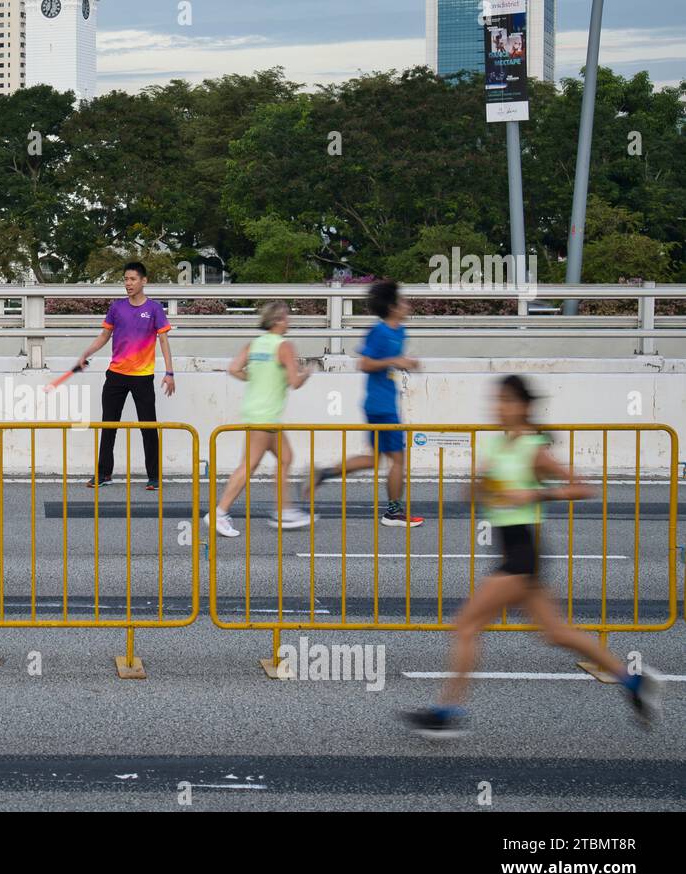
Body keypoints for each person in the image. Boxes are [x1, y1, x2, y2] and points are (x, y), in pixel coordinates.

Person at [404, 375, 661, 737]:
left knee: (466, 625)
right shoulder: (497, 446)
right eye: (497, 400)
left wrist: (535, 496)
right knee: (556, 633)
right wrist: (480, 486)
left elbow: (582, 487)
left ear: (523, 407)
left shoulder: (533, 448)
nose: (499, 407)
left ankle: (446, 713)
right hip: (511, 547)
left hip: (523, 552)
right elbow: (472, 496)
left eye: (507, 401)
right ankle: (633, 682)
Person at [311, 279, 424, 527]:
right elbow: (364, 363)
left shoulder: (400, 331)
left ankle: (326, 472)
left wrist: (406, 361)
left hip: (384, 403)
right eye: (403, 301)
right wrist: (395, 360)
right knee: (397, 459)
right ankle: (394, 512)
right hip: (381, 405)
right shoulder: (380, 331)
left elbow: (392, 360)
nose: (407, 305)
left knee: (374, 459)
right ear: (393, 307)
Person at [205, 302, 315, 537]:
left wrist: (256, 379)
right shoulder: (284, 346)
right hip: (266, 416)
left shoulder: (254, 345)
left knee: (286, 458)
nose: (288, 322)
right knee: (248, 466)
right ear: (276, 321)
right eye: (286, 318)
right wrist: (308, 371)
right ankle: (219, 512)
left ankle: (285, 510)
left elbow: (234, 369)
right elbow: (294, 382)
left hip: (257, 412)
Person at [75, 262, 175, 490]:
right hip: (116, 375)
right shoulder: (117, 308)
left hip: (142, 376)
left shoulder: (154, 309)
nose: (128, 284)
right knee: (109, 425)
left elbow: (163, 341)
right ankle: (104, 474)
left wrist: (169, 372)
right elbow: (104, 336)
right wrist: (85, 353)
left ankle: (154, 476)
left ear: (144, 281)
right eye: (126, 279)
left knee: (148, 427)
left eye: (132, 279)